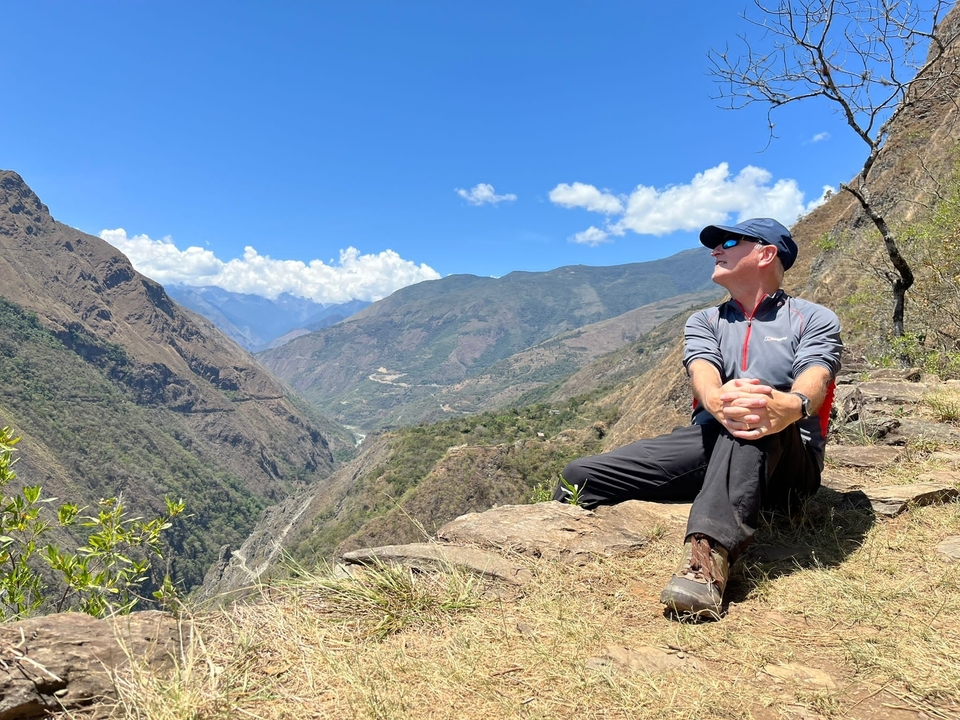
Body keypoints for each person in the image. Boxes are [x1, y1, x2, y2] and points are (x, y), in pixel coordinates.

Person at [554, 218, 842, 619]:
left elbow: (818, 373)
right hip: (714, 436)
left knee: (754, 409)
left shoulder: (812, 318)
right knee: (578, 476)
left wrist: (790, 406)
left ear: (766, 253)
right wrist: (717, 400)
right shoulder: (705, 321)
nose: (715, 250)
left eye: (727, 241)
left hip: (789, 461)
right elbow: (702, 370)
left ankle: (707, 560)